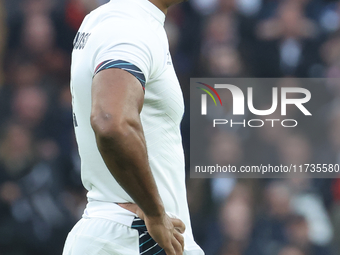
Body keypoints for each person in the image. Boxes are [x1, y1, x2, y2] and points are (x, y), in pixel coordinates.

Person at [62, 0, 204, 254]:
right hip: (135, 237)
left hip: (127, 233)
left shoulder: (114, 19)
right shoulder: (129, 26)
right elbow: (111, 121)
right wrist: (155, 213)